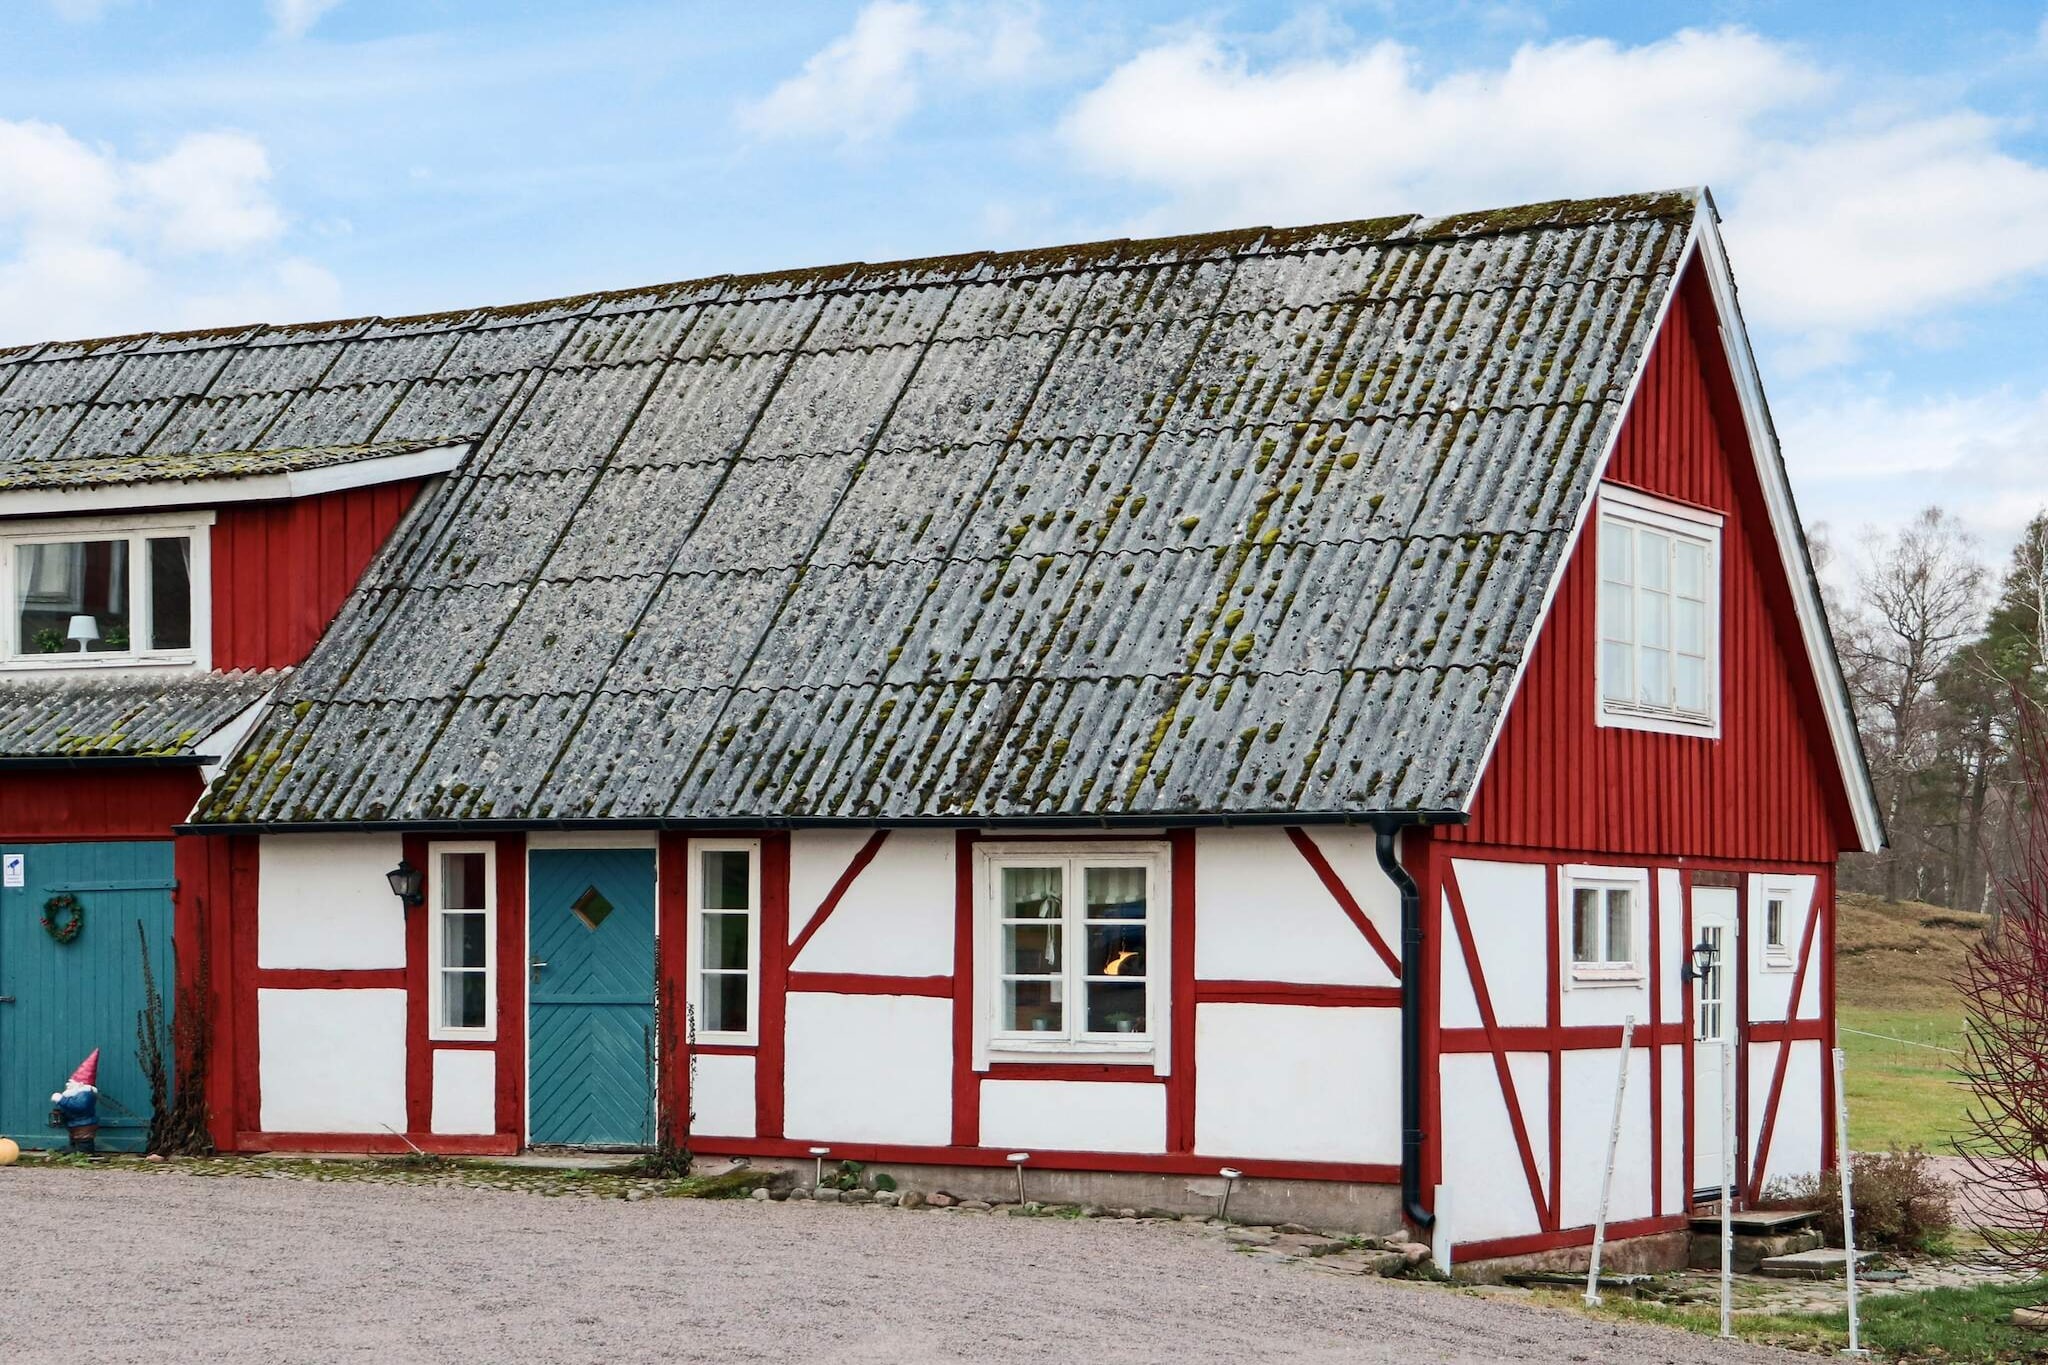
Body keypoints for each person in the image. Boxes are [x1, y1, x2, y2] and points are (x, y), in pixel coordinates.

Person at [50, 1050, 100, 1153]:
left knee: (84, 1140)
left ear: (80, 1085)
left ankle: (85, 1151)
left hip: (84, 1125)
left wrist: (61, 1100)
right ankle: (74, 1148)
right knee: (75, 1138)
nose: (68, 1085)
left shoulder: (85, 1095)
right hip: (75, 1125)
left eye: (72, 1083)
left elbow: (78, 1106)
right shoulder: (76, 1094)